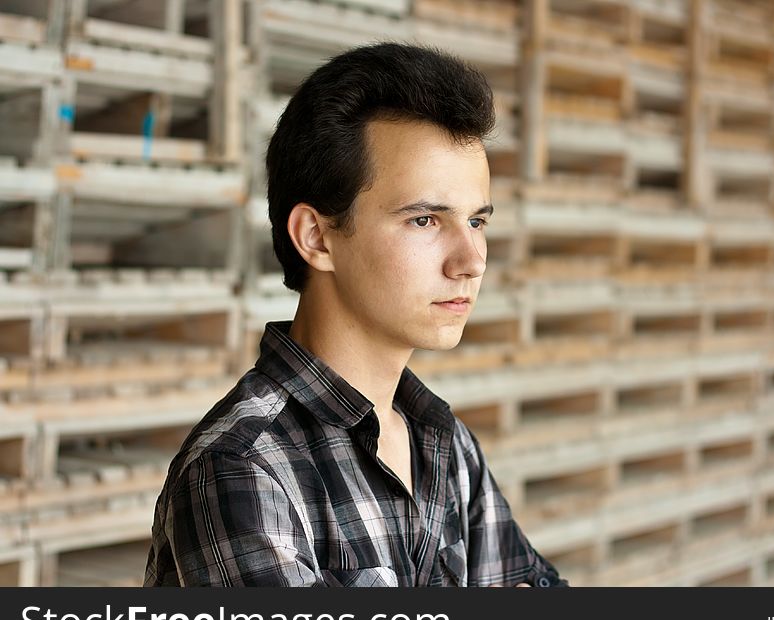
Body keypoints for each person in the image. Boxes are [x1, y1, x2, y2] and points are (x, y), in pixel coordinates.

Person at [144, 41, 567, 587]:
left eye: (477, 222)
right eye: (425, 221)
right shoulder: (243, 469)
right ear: (316, 237)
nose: (471, 261)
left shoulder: (443, 444)